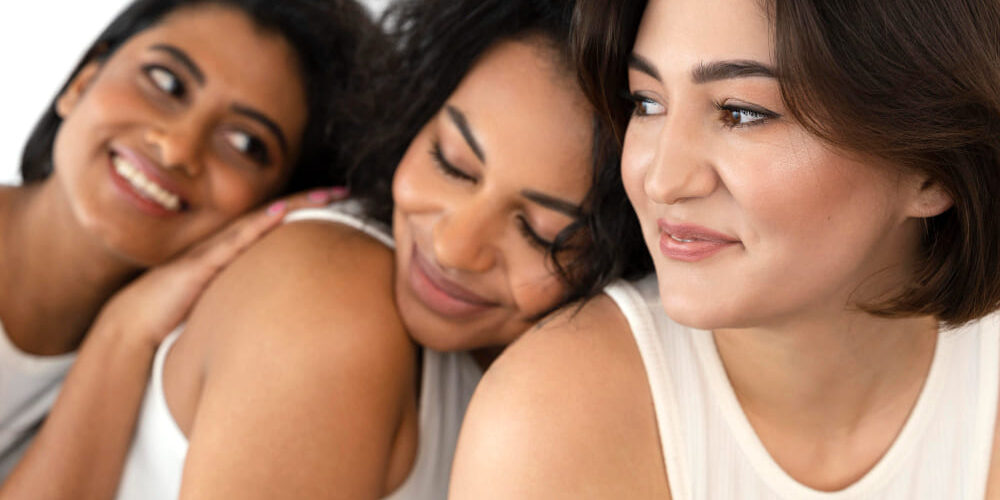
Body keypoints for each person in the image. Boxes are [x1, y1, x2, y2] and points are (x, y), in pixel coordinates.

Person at [4, 0, 652, 498]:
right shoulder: (326, 305)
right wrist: (124, 332)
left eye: (544, 232)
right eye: (452, 163)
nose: (455, 247)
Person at [450, 0, 1000, 498]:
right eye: (647, 102)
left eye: (740, 112)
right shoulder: (548, 420)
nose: (662, 180)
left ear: (932, 173)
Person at [0, 0, 373, 484]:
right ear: (81, 83)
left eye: (245, 144)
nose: (177, 147)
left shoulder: (183, 361)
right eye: (167, 82)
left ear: (274, 203)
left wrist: (123, 333)